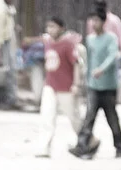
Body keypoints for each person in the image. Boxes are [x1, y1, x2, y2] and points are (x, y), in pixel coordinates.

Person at [70, 5, 121, 160]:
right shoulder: (90, 39)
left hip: (108, 86)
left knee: (112, 117)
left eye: (96, 20)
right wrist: (85, 79)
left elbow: (112, 56)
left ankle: (119, 147)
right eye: (91, 20)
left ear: (103, 21)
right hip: (93, 86)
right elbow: (88, 62)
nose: (93, 24)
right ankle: (82, 145)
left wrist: (102, 69)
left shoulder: (111, 38)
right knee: (89, 117)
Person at [36, 16, 94, 157]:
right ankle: (44, 147)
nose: (50, 30)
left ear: (61, 28)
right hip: (50, 85)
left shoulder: (67, 44)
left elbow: (75, 65)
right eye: (48, 27)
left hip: (66, 87)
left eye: (53, 27)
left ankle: (89, 141)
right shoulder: (48, 42)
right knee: (47, 116)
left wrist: (76, 84)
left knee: (74, 118)